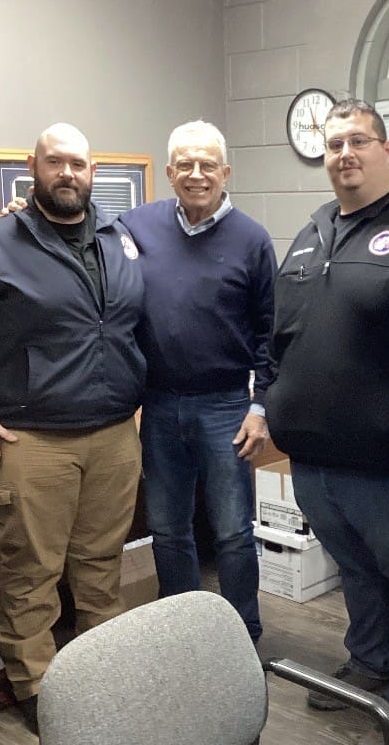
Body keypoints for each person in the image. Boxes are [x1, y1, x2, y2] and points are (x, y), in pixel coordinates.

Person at [0, 123, 146, 732]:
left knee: (101, 567)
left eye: (78, 163)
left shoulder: (117, 238)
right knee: (32, 574)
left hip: (113, 435)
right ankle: (37, 687)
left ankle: (101, 672)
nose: (67, 174)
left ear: (93, 172)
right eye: (55, 162)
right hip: (33, 441)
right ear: (34, 168)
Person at [265, 99, 389, 744]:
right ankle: (368, 664)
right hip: (312, 455)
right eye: (334, 144)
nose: (345, 154)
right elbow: (282, 331)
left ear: (387, 149)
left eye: (358, 141)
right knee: (357, 568)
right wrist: (270, 398)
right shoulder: (314, 228)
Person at [120, 120, 276, 643]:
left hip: (226, 406)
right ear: (169, 173)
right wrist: (25, 214)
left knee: (232, 532)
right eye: (185, 164)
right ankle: (182, 637)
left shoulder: (252, 240)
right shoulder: (136, 227)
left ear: (225, 172)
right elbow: (77, 236)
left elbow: (271, 332)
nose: (196, 174)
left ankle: (241, 636)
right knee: (168, 529)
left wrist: (260, 407)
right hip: (159, 406)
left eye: (207, 164)